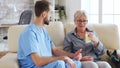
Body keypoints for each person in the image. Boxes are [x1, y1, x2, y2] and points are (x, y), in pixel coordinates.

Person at [17, 1, 82, 68]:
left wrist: (73, 55)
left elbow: (55, 50)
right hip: (36, 66)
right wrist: (62, 58)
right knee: (60, 64)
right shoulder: (29, 33)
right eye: (50, 13)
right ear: (44, 14)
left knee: (76, 63)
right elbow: (38, 62)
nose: (51, 16)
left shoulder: (43, 30)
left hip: (48, 65)